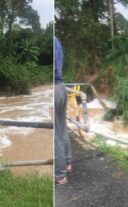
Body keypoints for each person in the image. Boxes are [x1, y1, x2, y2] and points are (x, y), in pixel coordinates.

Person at [54, 37, 72, 185]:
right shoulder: (56, 40)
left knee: (55, 135)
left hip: (53, 88)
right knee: (62, 127)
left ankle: (60, 175)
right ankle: (67, 162)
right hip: (60, 87)